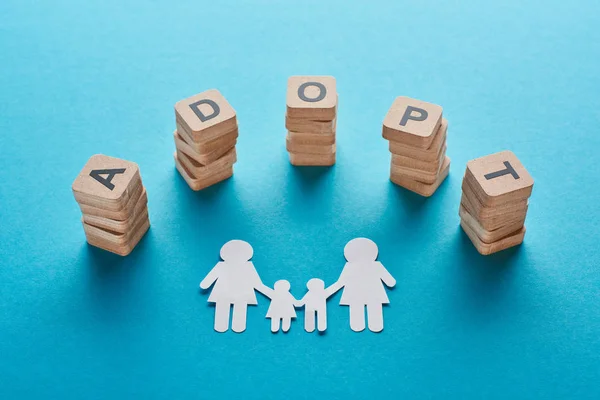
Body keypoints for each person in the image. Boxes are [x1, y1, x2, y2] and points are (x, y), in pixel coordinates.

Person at [199, 240, 271, 333]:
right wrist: (205, 284)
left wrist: (270, 293)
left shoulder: (247, 267)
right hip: (225, 293)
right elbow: (257, 284)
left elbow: (256, 283)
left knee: (239, 307)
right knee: (225, 306)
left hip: (238, 294)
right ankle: (223, 326)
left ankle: (236, 326)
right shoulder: (222, 265)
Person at [327, 238, 396, 332]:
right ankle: (372, 325)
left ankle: (362, 325)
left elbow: (341, 282)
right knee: (369, 307)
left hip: (357, 295)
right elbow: (390, 282)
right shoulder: (374, 266)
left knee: (360, 308)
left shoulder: (351, 267)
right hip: (373, 294)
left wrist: (327, 292)